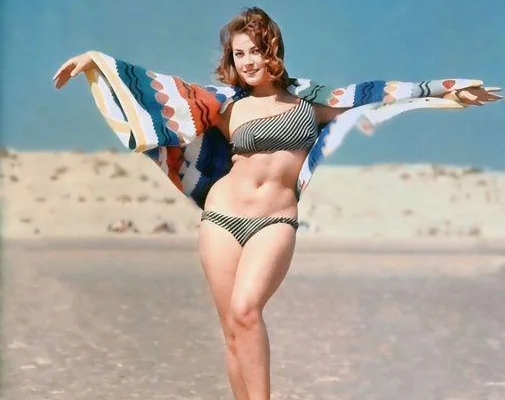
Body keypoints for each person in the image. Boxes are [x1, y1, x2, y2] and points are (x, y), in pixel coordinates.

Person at [53, 6, 501, 400]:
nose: (247, 61)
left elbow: (375, 97)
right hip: (220, 219)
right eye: (238, 54)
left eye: (255, 51)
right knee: (232, 330)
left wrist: (444, 92)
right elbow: (159, 95)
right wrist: (99, 64)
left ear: (273, 52)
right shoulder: (226, 106)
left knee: (247, 311)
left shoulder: (313, 102)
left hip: (274, 222)